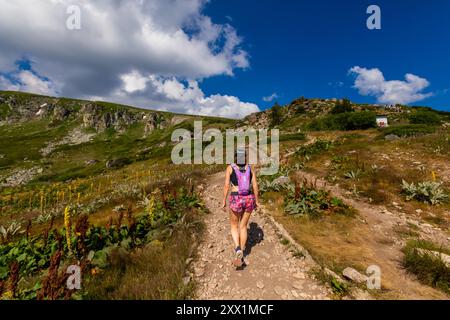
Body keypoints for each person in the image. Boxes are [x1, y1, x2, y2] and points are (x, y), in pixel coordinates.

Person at [222, 147, 260, 267]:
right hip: (249, 198)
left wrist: (223, 200)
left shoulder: (230, 168)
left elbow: (226, 185)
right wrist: (257, 201)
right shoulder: (250, 168)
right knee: (243, 226)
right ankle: (242, 251)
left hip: (236, 198)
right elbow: (254, 185)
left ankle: (237, 248)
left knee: (234, 225)